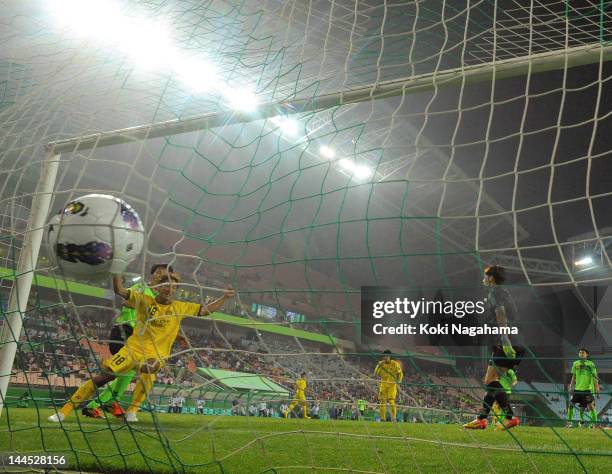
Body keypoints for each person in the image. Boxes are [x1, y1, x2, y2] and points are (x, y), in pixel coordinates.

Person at [48, 272, 235, 423]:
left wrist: (224, 298)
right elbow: (120, 290)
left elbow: (204, 311)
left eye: (173, 286)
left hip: (156, 354)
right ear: (158, 288)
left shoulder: (181, 307)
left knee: (150, 369)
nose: (169, 288)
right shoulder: (145, 300)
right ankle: (64, 412)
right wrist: (116, 272)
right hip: (132, 349)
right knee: (103, 377)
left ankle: (132, 410)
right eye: (165, 284)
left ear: (176, 289)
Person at [82, 264, 174, 419]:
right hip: (125, 332)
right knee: (126, 371)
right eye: (158, 272)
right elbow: (126, 301)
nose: (161, 276)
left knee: (127, 372)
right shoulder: (142, 288)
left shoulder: (161, 299)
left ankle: (98, 404)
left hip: (137, 338)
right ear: (152, 275)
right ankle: (103, 403)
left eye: (165, 274)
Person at [464, 265, 523, 430]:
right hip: (512, 339)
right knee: (491, 383)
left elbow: (501, 313)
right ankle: (482, 419)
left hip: (506, 341)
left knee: (490, 380)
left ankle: (510, 417)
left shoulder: (495, 292)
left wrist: (504, 339)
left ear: (491, 278)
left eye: (485, 276)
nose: (483, 279)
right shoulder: (503, 292)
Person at [567, 347, 600, 428]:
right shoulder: (575, 363)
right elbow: (574, 376)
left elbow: (595, 377)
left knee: (590, 406)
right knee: (571, 405)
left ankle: (594, 424)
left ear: (587, 355)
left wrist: (597, 389)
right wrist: (571, 386)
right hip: (577, 389)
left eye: (583, 353)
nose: (581, 354)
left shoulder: (591, 364)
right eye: (580, 352)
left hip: (587, 389)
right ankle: (569, 423)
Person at [374, 350, 403, 422]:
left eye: (386, 356)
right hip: (383, 384)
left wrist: (399, 381)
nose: (385, 357)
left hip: (392, 385)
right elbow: (375, 373)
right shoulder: (381, 364)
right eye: (384, 356)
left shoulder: (395, 364)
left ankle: (394, 418)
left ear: (389, 356)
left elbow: (400, 373)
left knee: (391, 401)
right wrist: (378, 365)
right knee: (382, 401)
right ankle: (382, 418)